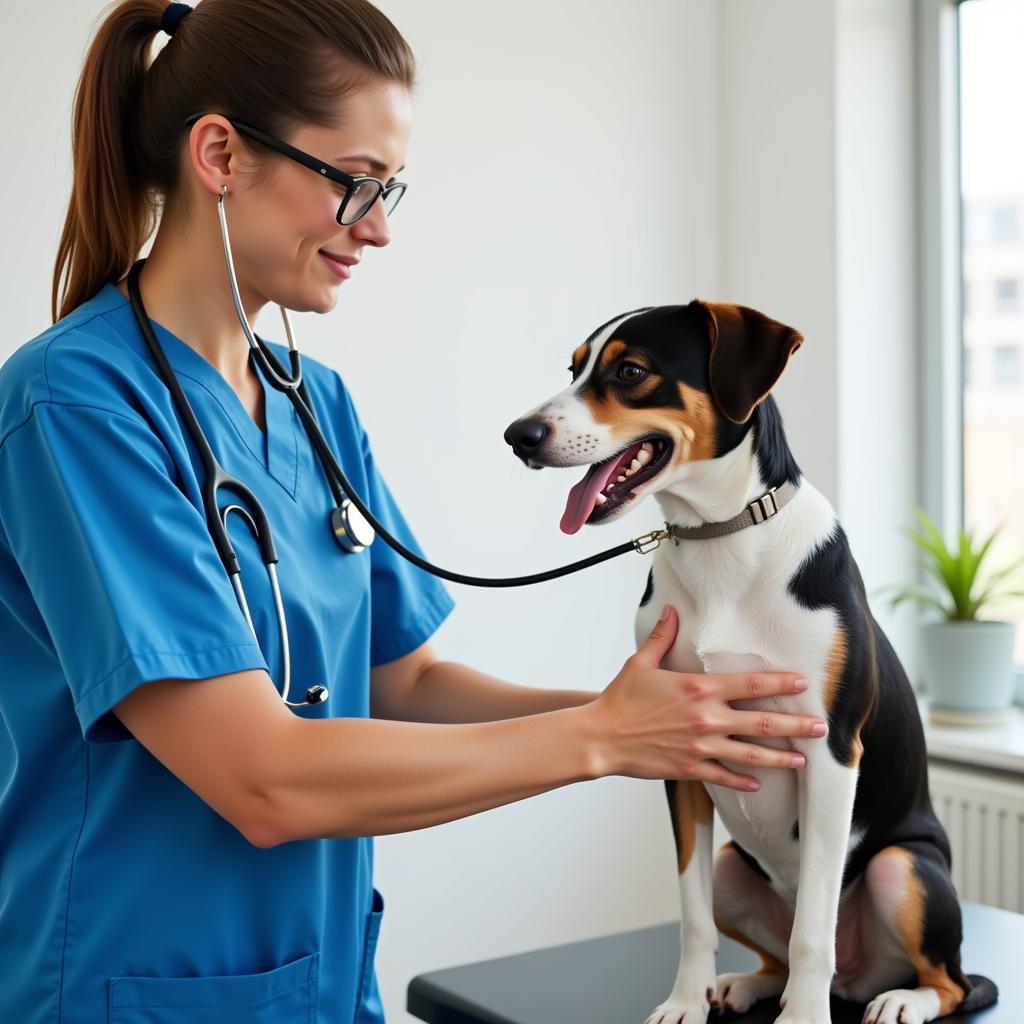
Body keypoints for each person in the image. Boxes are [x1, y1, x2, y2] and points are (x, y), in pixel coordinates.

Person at [0, 1, 830, 1022]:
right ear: (219, 152)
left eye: (388, 189)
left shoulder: (317, 407)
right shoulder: (77, 406)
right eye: (354, 182)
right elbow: (261, 777)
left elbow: (405, 677)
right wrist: (605, 740)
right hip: (131, 988)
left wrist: (656, 719)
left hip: (317, 982)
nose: (380, 226)